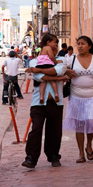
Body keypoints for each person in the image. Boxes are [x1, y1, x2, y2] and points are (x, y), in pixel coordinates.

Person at [62, 36, 93, 163]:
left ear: (89, 46)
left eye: (83, 44)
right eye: (78, 44)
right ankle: (80, 153)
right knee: (79, 124)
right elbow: (60, 71)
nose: (80, 46)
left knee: (90, 122)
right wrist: (67, 71)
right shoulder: (71, 59)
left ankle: (89, 145)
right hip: (76, 96)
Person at [22, 34, 67, 168]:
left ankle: (53, 156)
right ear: (47, 44)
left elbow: (57, 71)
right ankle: (31, 157)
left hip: (56, 103)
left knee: (55, 131)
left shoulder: (61, 60)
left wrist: (42, 71)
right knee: (36, 129)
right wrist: (53, 75)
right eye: (55, 43)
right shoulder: (34, 61)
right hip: (38, 103)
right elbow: (38, 77)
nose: (56, 46)